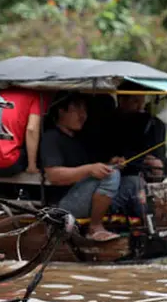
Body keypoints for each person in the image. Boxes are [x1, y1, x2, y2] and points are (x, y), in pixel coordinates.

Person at [39, 92, 145, 242]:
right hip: (64, 204)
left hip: (88, 198)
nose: (83, 115)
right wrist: (90, 169)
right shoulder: (51, 138)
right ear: (61, 111)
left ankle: (146, 230)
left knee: (133, 181)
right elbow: (53, 175)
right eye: (77, 109)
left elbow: (92, 171)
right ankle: (95, 227)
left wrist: (110, 164)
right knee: (112, 175)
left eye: (85, 110)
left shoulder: (79, 139)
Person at [0, 88, 51, 177]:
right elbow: (32, 129)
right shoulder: (39, 95)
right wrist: (32, 165)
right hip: (7, 164)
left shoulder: (1, 92)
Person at [114, 83, 167, 183]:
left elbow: (160, 155)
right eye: (135, 101)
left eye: (142, 101)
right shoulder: (111, 123)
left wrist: (161, 165)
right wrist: (141, 161)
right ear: (122, 101)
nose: (140, 106)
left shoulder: (154, 124)